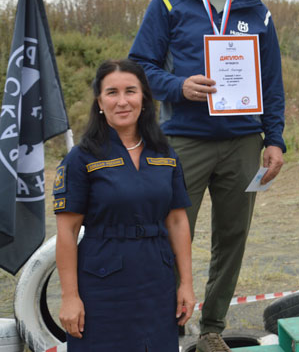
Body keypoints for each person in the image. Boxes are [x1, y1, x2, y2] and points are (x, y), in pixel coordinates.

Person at [129, 0, 286, 352]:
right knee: (173, 234)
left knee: (232, 237)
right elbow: (139, 66)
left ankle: (212, 327)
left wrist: (274, 139)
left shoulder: (257, 9)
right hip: (184, 140)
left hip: (242, 143)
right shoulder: (168, 2)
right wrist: (177, 86)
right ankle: (169, 326)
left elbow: (271, 83)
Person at [54, 59, 194, 351]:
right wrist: (69, 296)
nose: (122, 101)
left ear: (144, 98)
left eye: (130, 91)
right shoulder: (81, 159)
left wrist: (186, 284)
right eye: (112, 93)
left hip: (157, 280)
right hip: (103, 284)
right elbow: (66, 231)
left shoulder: (165, 154)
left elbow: (178, 221)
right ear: (100, 102)